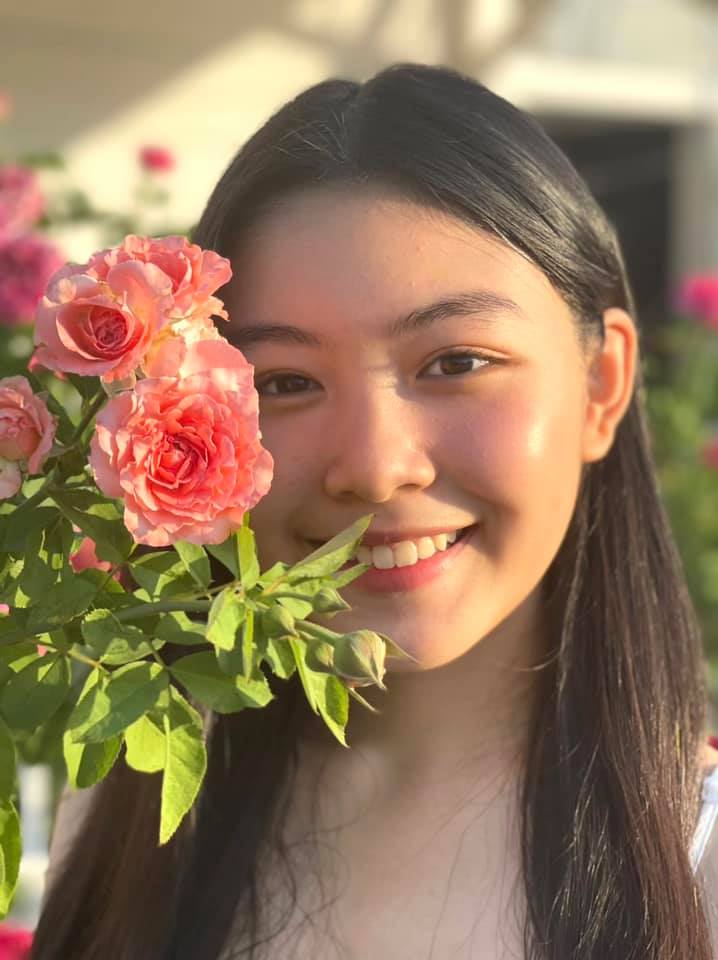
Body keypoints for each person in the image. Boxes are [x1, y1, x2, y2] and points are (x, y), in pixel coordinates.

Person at [32, 62, 718, 960]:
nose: (375, 468)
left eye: (456, 363)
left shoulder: (697, 867)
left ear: (602, 383)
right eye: (284, 382)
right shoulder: (133, 809)